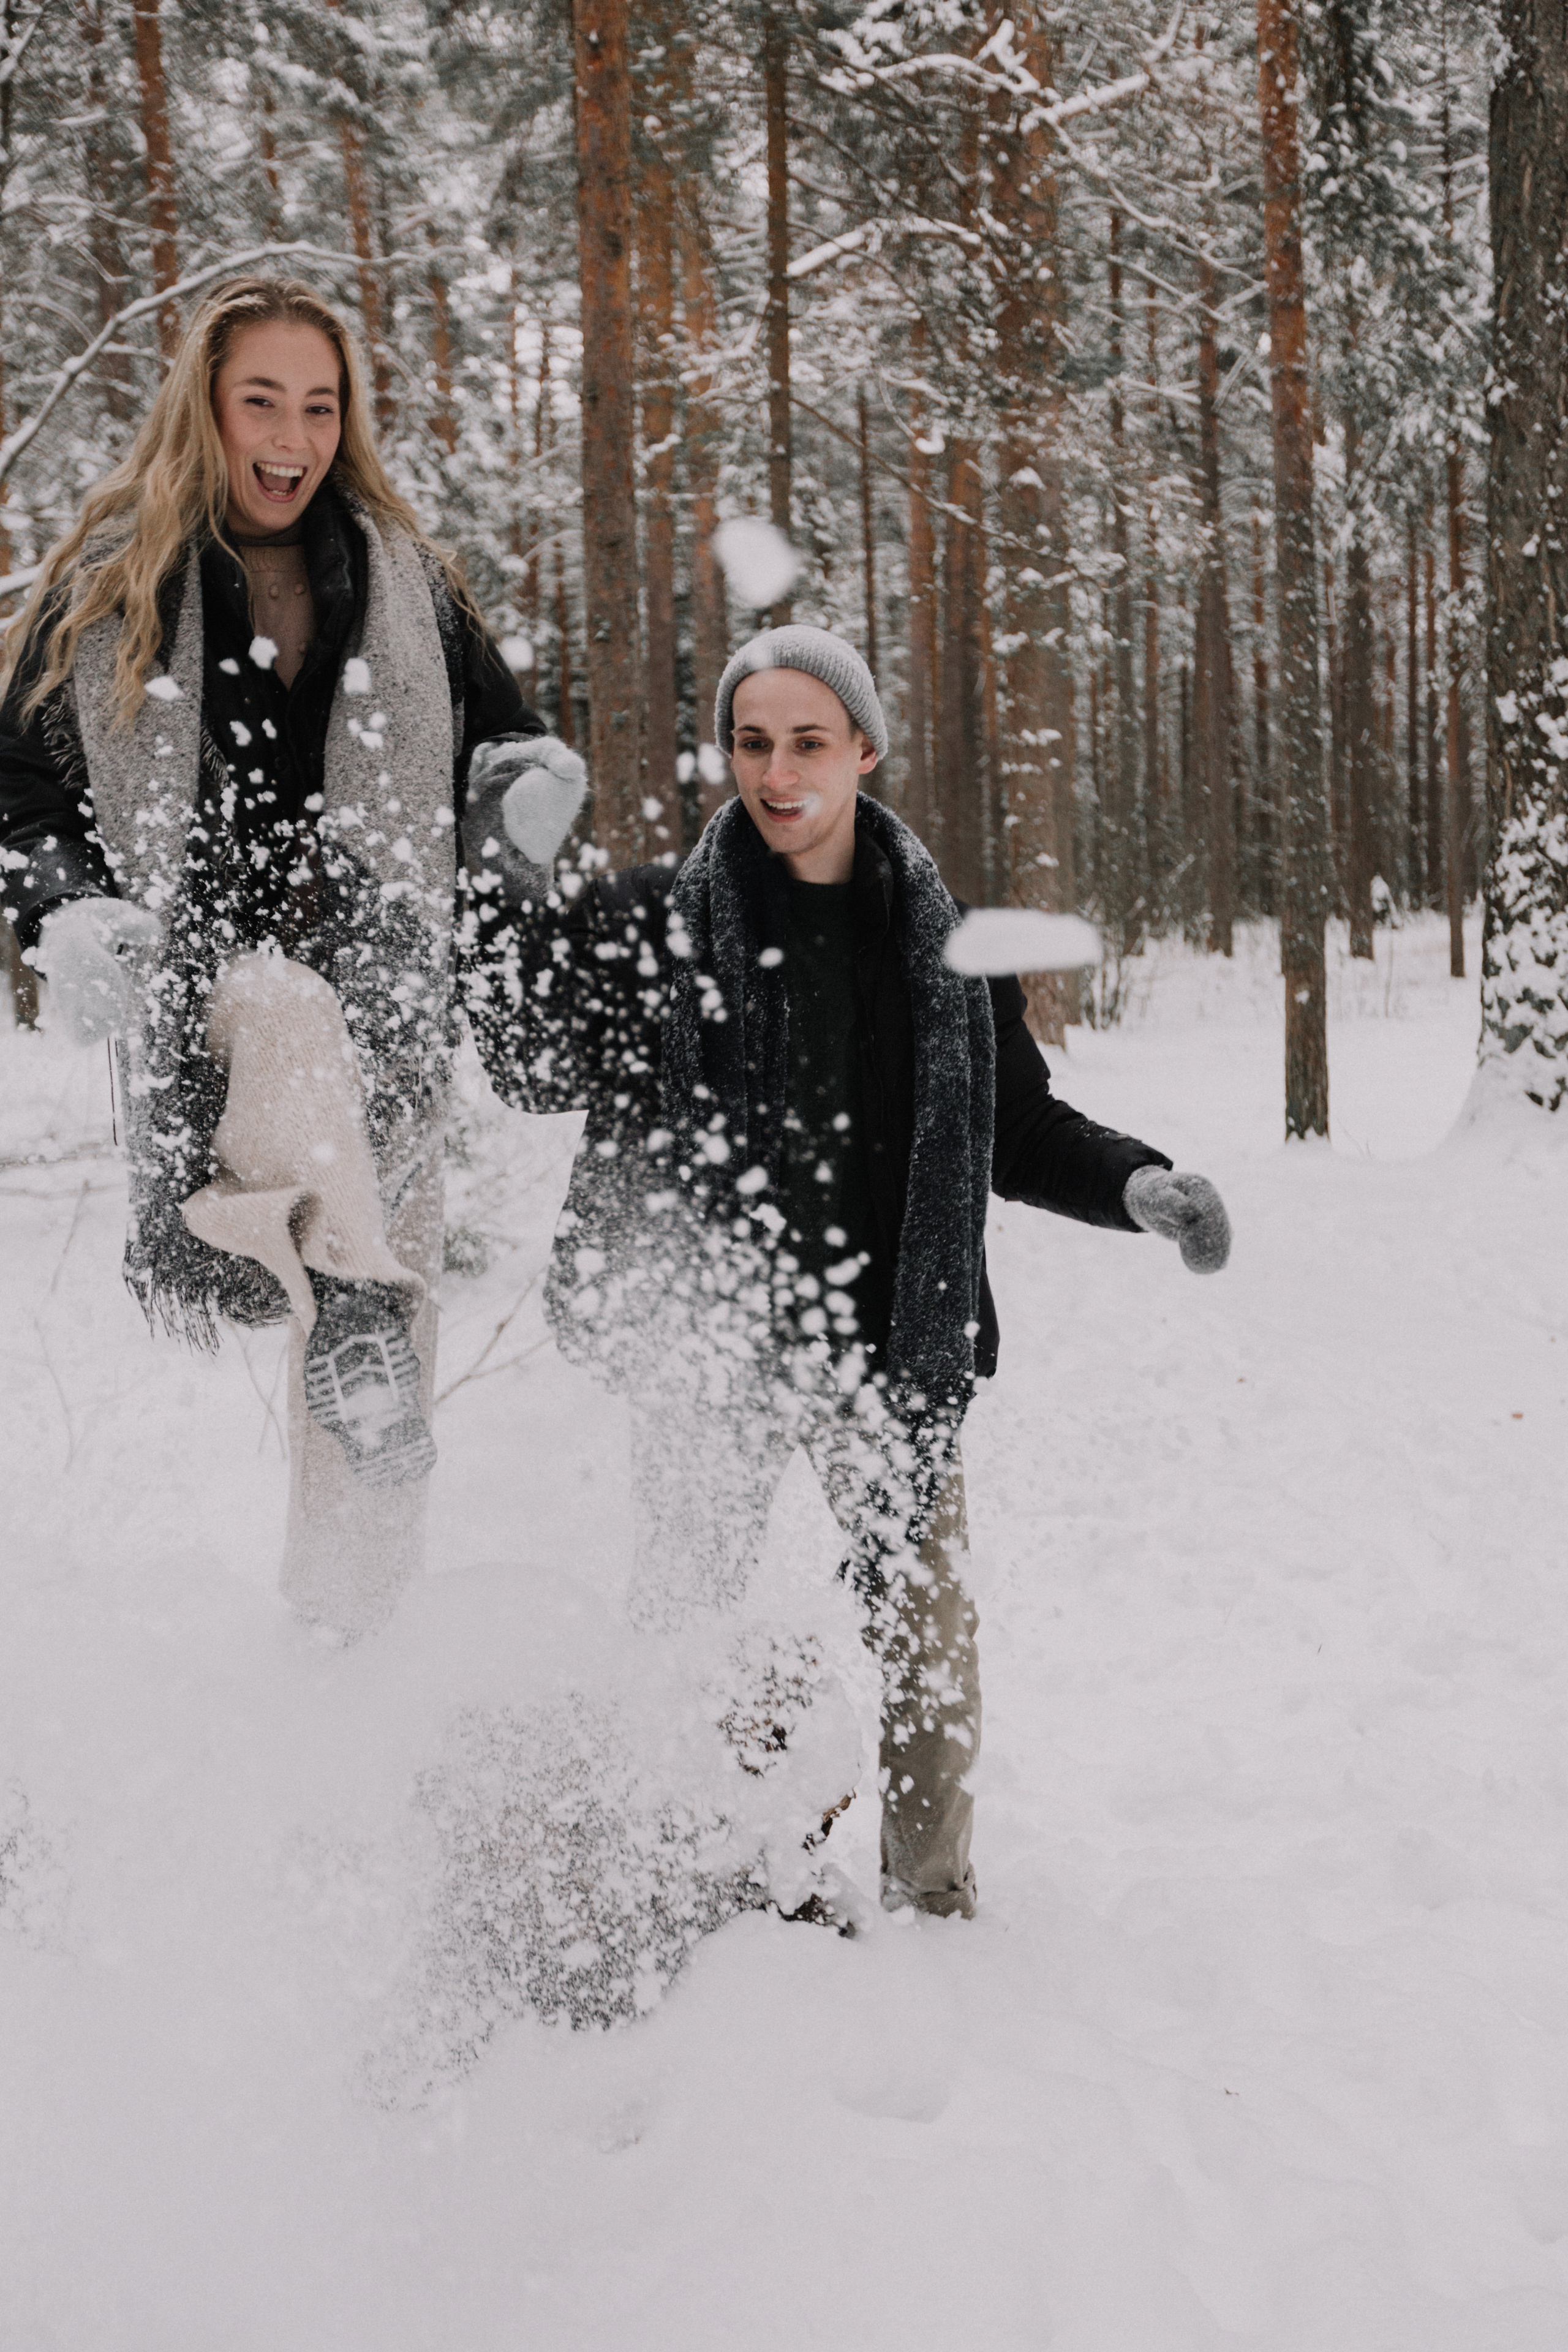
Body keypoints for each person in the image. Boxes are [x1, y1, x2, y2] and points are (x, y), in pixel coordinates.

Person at [462, 624, 1232, 1920]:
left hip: (891, 1346)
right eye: (751, 742)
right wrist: (503, 876)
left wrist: (1136, 1185)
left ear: (862, 751)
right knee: (685, 1631)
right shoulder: (657, 922)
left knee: (928, 1644)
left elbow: (1017, 1126)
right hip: (709, 1355)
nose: (776, 769)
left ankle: (928, 1907)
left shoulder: (948, 943)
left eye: (806, 741)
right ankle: (692, 1879)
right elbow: (526, 1055)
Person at [0, 276, 573, 1637]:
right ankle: (353, 1308)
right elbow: (14, 783)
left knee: (379, 1383)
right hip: (205, 998)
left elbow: (498, 755)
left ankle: (348, 1649)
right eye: (261, 398)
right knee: (281, 1001)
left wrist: (522, 804)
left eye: (319, 406)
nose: (292, 433)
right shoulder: (115, 575)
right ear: (205, 405)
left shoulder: (399, 584)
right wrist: (63, 911)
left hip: (389, 1021)